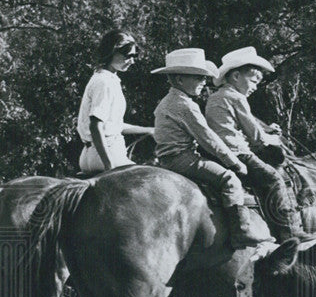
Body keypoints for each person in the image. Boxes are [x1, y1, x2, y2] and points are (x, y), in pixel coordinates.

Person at [152, 48, 267, 250]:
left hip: (167, 158)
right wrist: (234, 162)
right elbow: (208, 138)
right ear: (180, 80)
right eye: (198, 78)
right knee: (229, 179)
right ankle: (241, 231)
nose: (204, 82)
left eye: (204, 77)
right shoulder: (185, 105)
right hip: (183, 158)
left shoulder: (167, 101)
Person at [206, 47, 316, 244]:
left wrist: (267, 131)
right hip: (236, 152)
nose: (255, 87)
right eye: (253, 81)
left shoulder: (217, 96)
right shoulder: (236, 97)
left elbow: (242, 125)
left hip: (217, 152)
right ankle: (290, 232)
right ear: (236, 76)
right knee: (274, 179)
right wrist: (273, 139)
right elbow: (255, 136)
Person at [76, 30, 154, 174]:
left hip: (89, 155)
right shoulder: (105, 82)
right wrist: (109, 165)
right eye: (127, 55)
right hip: (108, 154)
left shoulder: (104, 78)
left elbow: (111, 125)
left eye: (134, 56)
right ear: (112, 52)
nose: (132, 61)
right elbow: (95, 126)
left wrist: (148, 130)